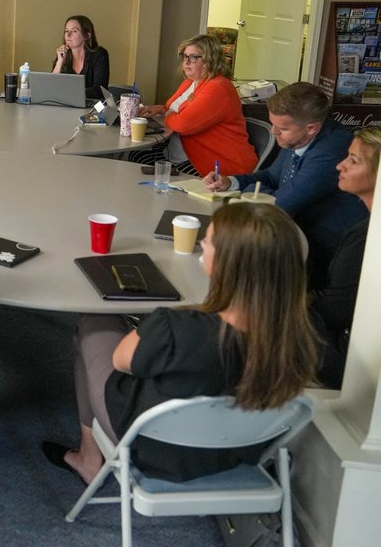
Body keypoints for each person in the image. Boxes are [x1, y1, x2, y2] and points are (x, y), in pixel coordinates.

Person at [43, 202, 318, 484]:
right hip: (234, 453)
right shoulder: (300, 337)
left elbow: (120, 362)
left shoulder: (178, 328)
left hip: (151, 448)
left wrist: (154, 333)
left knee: (93, 323)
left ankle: (89, 459)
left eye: (208, 241)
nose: (201, 243)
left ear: (226, 262)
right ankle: (90, 455)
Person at [203, 82, 366, 285]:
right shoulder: (297, 137)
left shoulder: (331, 150)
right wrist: (232, 182)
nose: (273, 132)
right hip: (292, 232)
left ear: (311, 128)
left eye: (281, 128)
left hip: (323, 253)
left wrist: (258, 191)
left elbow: (279, 205)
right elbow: (272, 177)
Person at [310, 128, 380, 388]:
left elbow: (333, 313)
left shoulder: (366, 237)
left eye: (354, 160)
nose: (341, 165)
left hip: (351, 362)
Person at [135, 34, 256, 177]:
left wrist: (168, 116)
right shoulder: (191, 82)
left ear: (210, 60)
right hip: (183, 155)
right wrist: (159, 109)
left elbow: (183, 124)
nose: (186, 62)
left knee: (141, 167)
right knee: (136, 156)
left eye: (193, 57)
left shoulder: (218, 88)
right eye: (184, 56)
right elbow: (175, 108)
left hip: (216, 167)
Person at [50, 15, 110, 101]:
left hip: (93, 107)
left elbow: (99, 90)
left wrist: (67, 92)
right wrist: (60, 62)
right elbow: (51, 87)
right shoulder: (63, 55)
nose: (68, 35)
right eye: (66, 31)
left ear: (87, 35)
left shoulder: (99, 54)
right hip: (67, 105)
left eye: (74, 31)